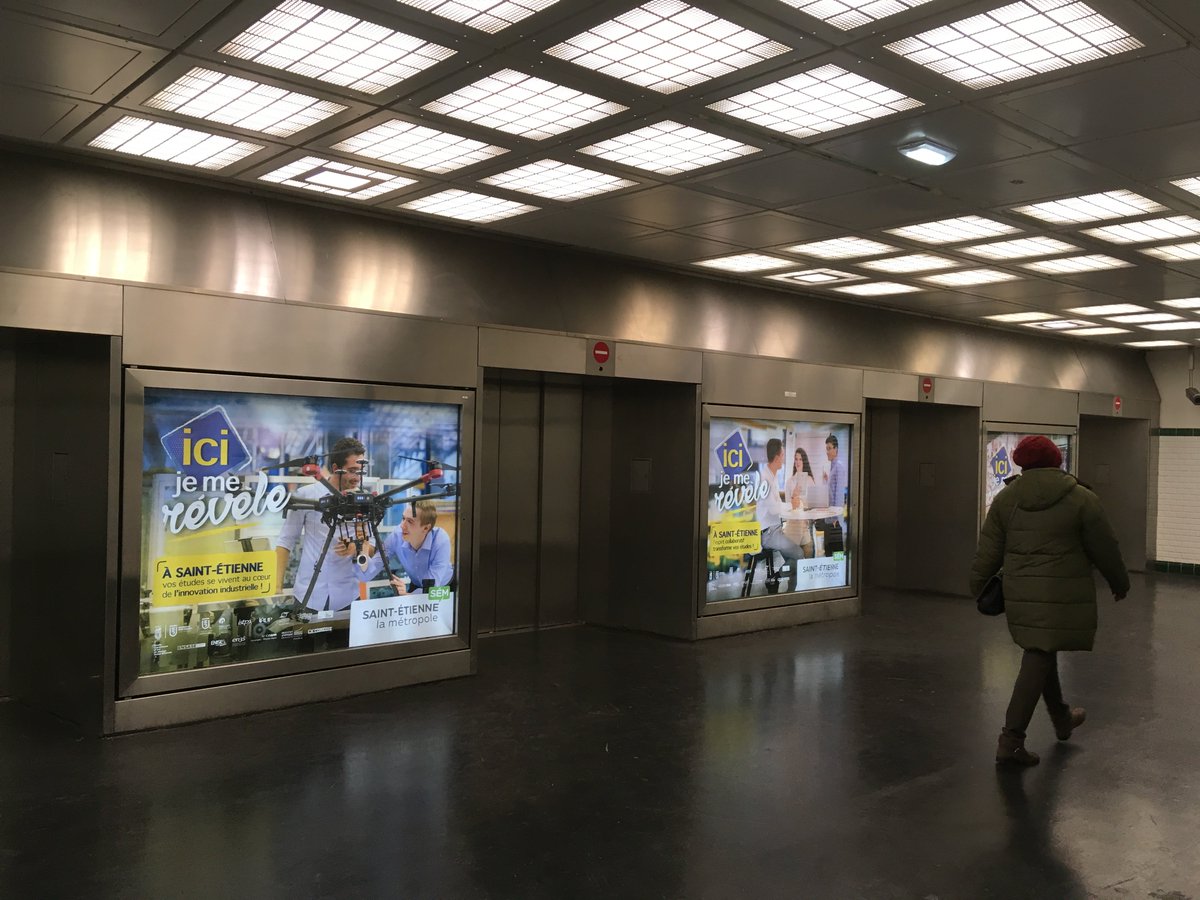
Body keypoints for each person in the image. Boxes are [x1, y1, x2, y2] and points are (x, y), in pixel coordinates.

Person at [969, 434, 1129, 767]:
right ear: (1057, 460)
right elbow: (1105, 547)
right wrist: (1119, 582)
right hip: (1063, 593)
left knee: (1041, 649)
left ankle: (1061, 718)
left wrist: (976, 587)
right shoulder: (1081, 499)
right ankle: (1011, 741)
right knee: (1040, 652)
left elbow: (988, 552)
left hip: (1021, 593)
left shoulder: (1006, 499)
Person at [275, 436, 369, 612]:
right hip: (308, 596)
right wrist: (276, 588)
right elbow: (285, 542)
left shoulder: (363, 501)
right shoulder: (306, 495)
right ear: (335, 468)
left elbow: (369, 546)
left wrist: (356, 548)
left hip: (348, 597)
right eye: (352, 470)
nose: (358, 477)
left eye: (361, 470)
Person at [364, 499, 453, 595]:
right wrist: (363, 547)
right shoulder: (397, 535)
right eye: (403, 518)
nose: (402, 526)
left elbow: (431, 590)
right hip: (417, 585)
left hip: (443, 587)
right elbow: (371, 569)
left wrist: (407, 595)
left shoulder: (440, 540)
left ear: (426, 528)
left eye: (410, 521)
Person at [755, 438, 807, 588]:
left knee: (797, 556)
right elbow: (773, 508)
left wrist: (791, 503)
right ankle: (775, 578)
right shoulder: (766, 479)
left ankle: (782, 584)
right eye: (783, 455)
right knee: (799, 555)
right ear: (777, 458)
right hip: (769, 534)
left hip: (776, 530)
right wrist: (791, 504)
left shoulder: (771, 476)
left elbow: (775, 506)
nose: (784, 459)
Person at [784, 447, 816, 558]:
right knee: (795, 556)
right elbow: (788, 506)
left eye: (800, 459)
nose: (797, 462)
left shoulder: (809, 480)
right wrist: (794, 496)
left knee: (809, 552)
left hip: (807, 521)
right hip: (794, 523)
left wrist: (803, 502)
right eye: (796, 459)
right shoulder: (789, 482)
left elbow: (814, 503)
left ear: (804, 461)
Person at [821, 433, 848, 556]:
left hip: (834, 520)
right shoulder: (833, 467)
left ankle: (838, 574)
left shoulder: (839, 467)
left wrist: (836, 518)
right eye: (826, 448)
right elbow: (832, 490)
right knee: (829, 552)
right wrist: (827, 480)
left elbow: (839, 495)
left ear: (836, 449)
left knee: (836, 555)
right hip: (830, 518)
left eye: (829, 448)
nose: (827, 451)